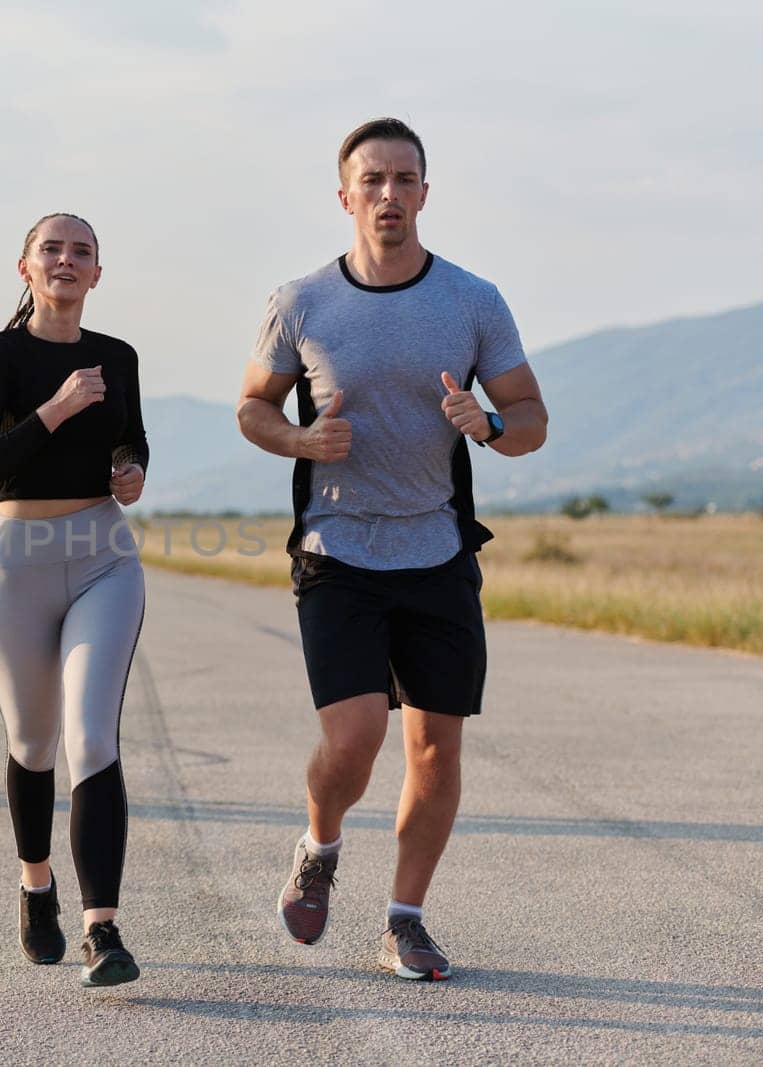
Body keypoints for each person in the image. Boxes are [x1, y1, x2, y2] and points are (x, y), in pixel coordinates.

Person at [235, 118, 548, 981]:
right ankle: (320, 842)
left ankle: (405, 920)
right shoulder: (302, 301)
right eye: (371, 181)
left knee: (436, 748)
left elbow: (532, 420)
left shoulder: (472, 300)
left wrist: (486, 425)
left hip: (438, 552)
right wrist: (304, 444)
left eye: (404, 180)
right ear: (345, 197)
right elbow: (254, 409)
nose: (388, 195)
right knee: (357, 736)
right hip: (338, 553)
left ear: (423, 193)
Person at [0, 212, 149, 988]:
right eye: (52, 250)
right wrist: (55, 410)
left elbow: (131, 438)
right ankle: (37, 887)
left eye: (83, 252)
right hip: (18, 561)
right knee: (34, 744)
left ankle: (104, 928)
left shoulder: (118, 356)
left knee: (91, 737)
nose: (67, 260)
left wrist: (131, 468)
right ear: (26, 268)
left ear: (97, 274)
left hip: (104, 557)